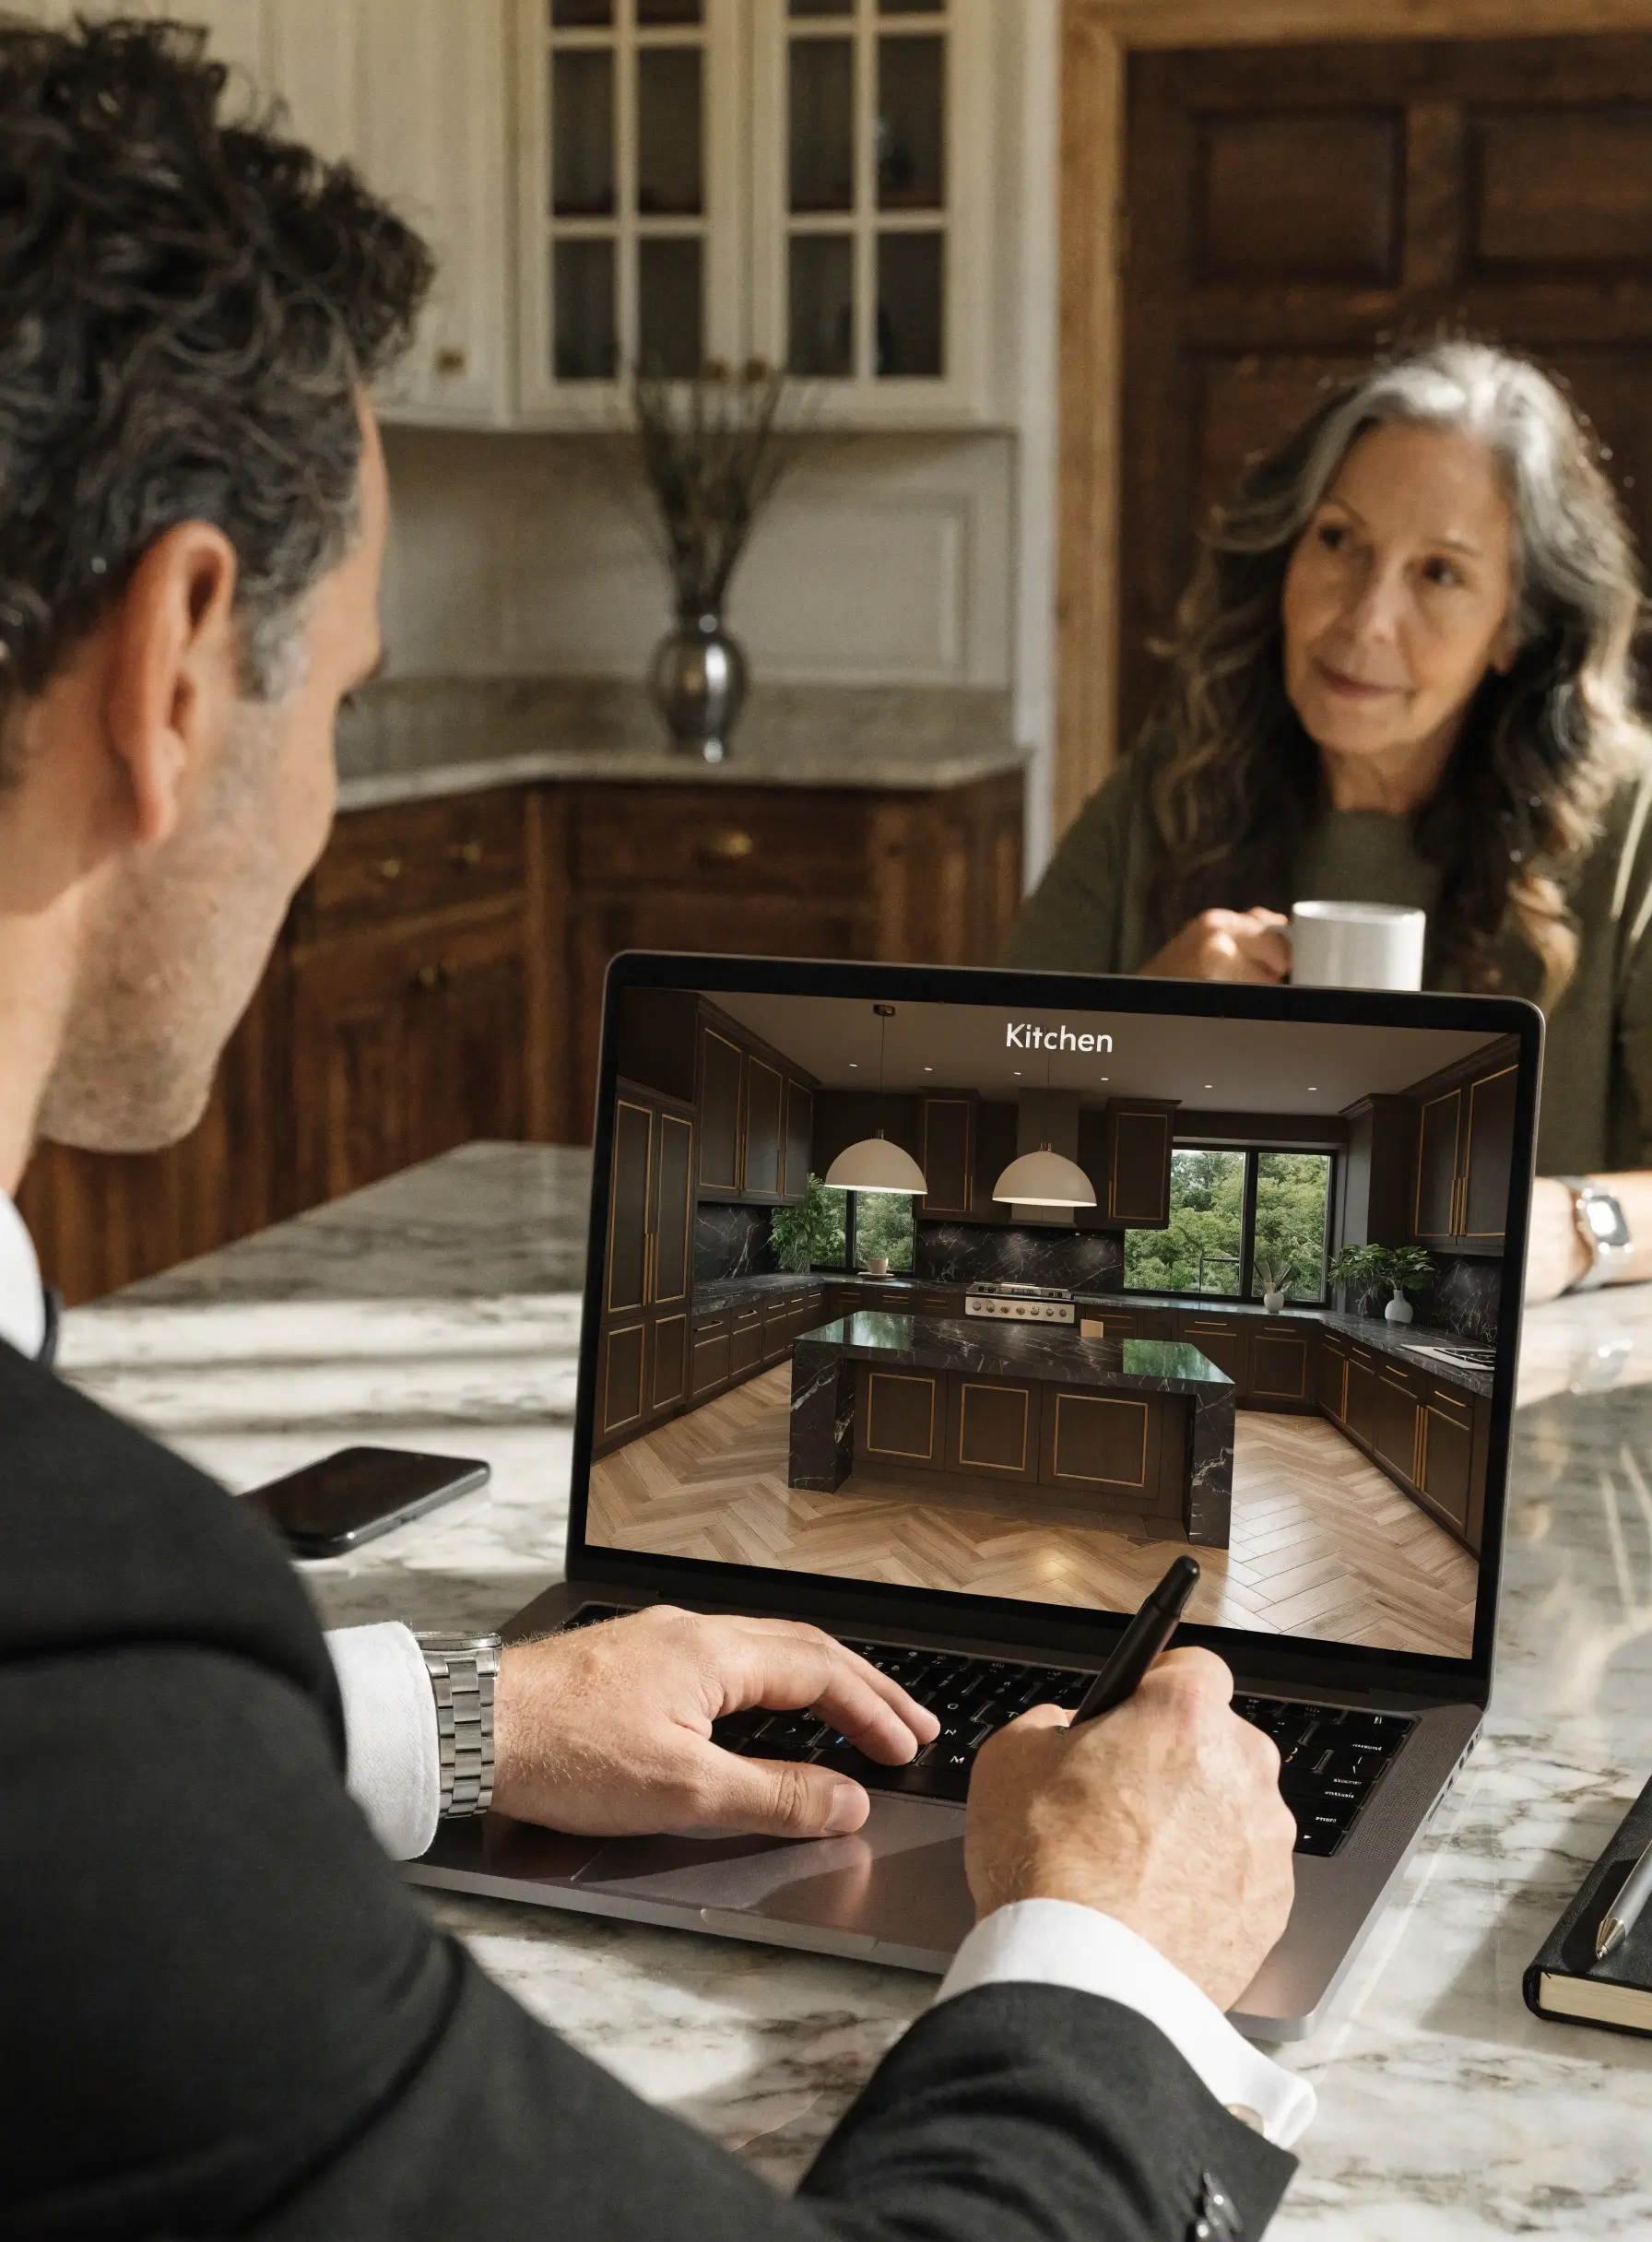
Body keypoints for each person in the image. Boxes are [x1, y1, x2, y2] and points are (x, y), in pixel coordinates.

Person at [0, 19, 1308, 2239]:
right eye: (352, 699)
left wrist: (457, 1717)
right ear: (178, 666)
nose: (318, 799)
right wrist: (1114, 1949)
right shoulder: (74, 1638)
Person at [1006, 343, 1652, 1305]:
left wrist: (1569, 1226)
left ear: (1512, 626)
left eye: (1438, 573)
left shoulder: (1629, 816)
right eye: (1339, 541)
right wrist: (1139, 1028)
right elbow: (982, 1099)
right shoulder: (1176, 772)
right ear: (1286, 548)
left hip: (1530, 1413)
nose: (1364, 618)